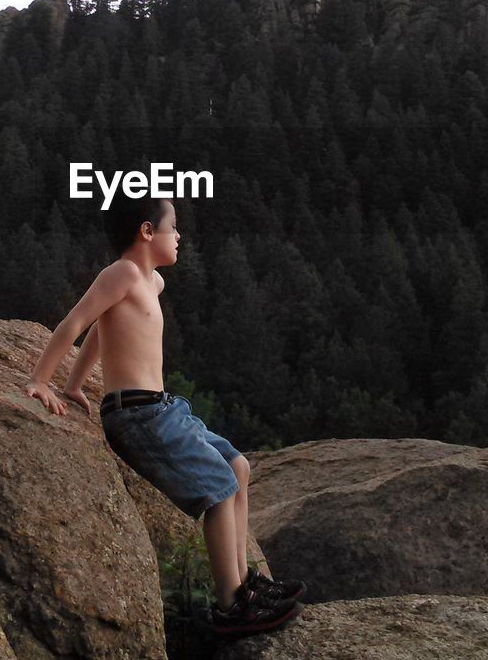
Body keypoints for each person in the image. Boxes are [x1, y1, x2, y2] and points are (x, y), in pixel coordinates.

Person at [23, 193, 306, 637]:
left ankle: (246, 584)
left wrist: (76, 385)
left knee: (239, 467)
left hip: (162, 408)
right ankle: (231, 606)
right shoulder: (122, 273)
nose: (180, 235)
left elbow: (102, 329)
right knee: (218, 492)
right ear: (147, 231)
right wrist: (42, 380)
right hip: (137, 415)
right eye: (173, 227)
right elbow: (77, 322)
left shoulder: (151, 283)